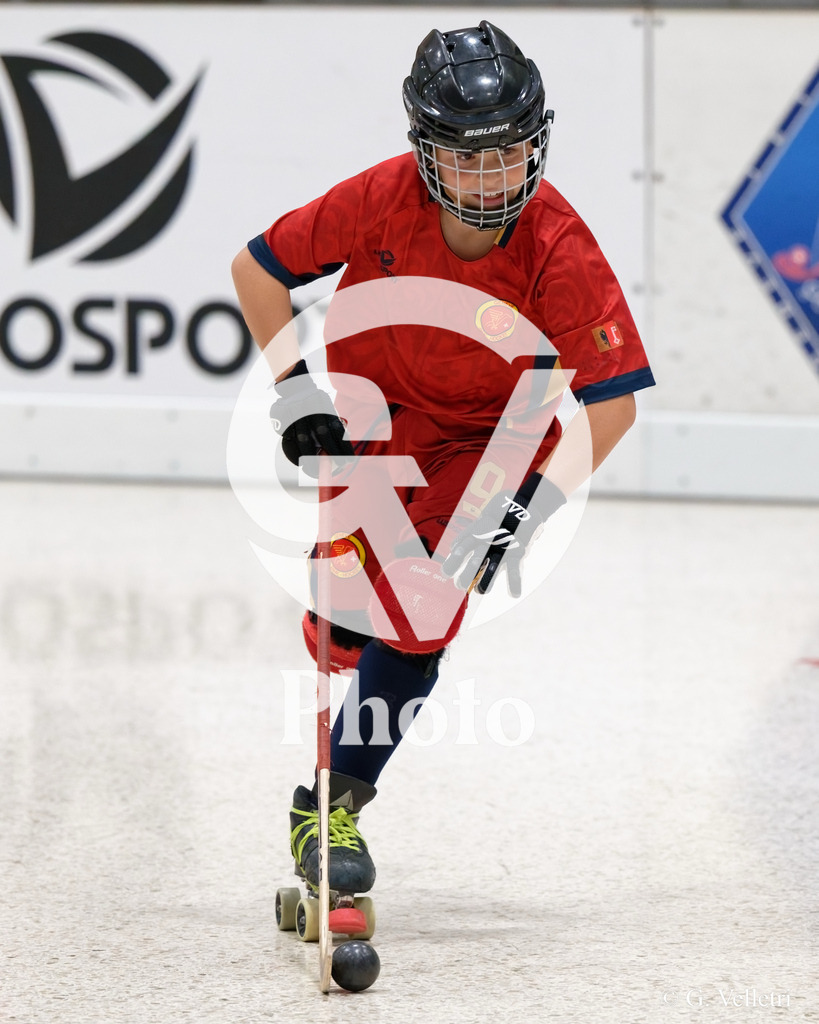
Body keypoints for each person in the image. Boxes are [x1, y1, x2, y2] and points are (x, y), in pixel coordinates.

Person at [231, 21, 655, 899]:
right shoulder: (378, 199)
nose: (491, 180)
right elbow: (257, 270)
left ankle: (331, 807)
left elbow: (610, 404)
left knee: (423, 617)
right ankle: (346, 630)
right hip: (373, 413)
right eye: (465, 158)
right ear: (424, 153)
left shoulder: (558, 246)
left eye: (510, 154)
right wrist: (295, 394)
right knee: (347, 619)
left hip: (495, 437)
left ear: (538, 145)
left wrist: (526, 505)